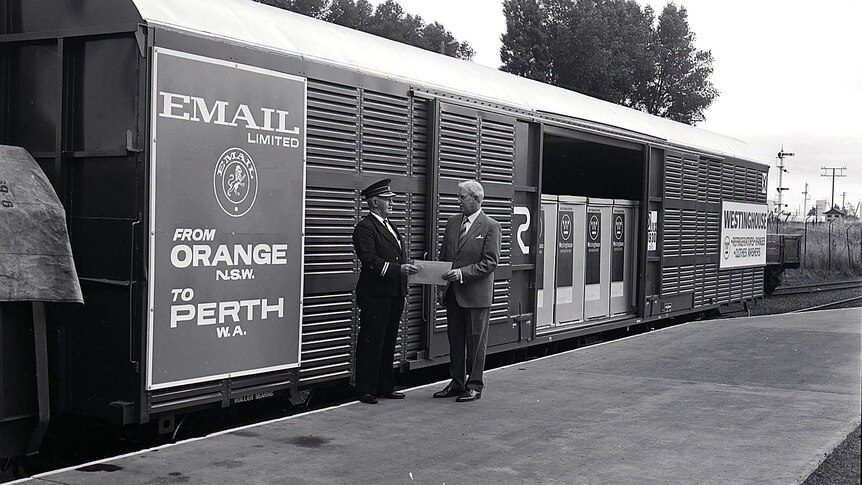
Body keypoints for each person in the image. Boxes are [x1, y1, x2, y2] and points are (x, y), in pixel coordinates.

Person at [433, 179, 501, 402]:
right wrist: (438, 279)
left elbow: (490, 262)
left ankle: (474, 385)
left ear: (476, 199)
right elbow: (445, 257)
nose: (458, 201)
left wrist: (461, 274)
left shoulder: (491, 226)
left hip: (476, 296)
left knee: (475, 343)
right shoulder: (453, 223)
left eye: (461, 197)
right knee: (455, 341)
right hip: (453, 295)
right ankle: (457, 382)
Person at [352, 179, 418, 404]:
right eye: (387, 199)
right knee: (372, 339)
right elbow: (370, 260)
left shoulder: (389, 225)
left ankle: (384, 386)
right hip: (375, 295)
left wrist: (403, 291)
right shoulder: (365, 227)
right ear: (374, 202)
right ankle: (367, 389)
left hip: (393, 293)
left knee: (389, 339)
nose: (392, 202)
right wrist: (400, 270)